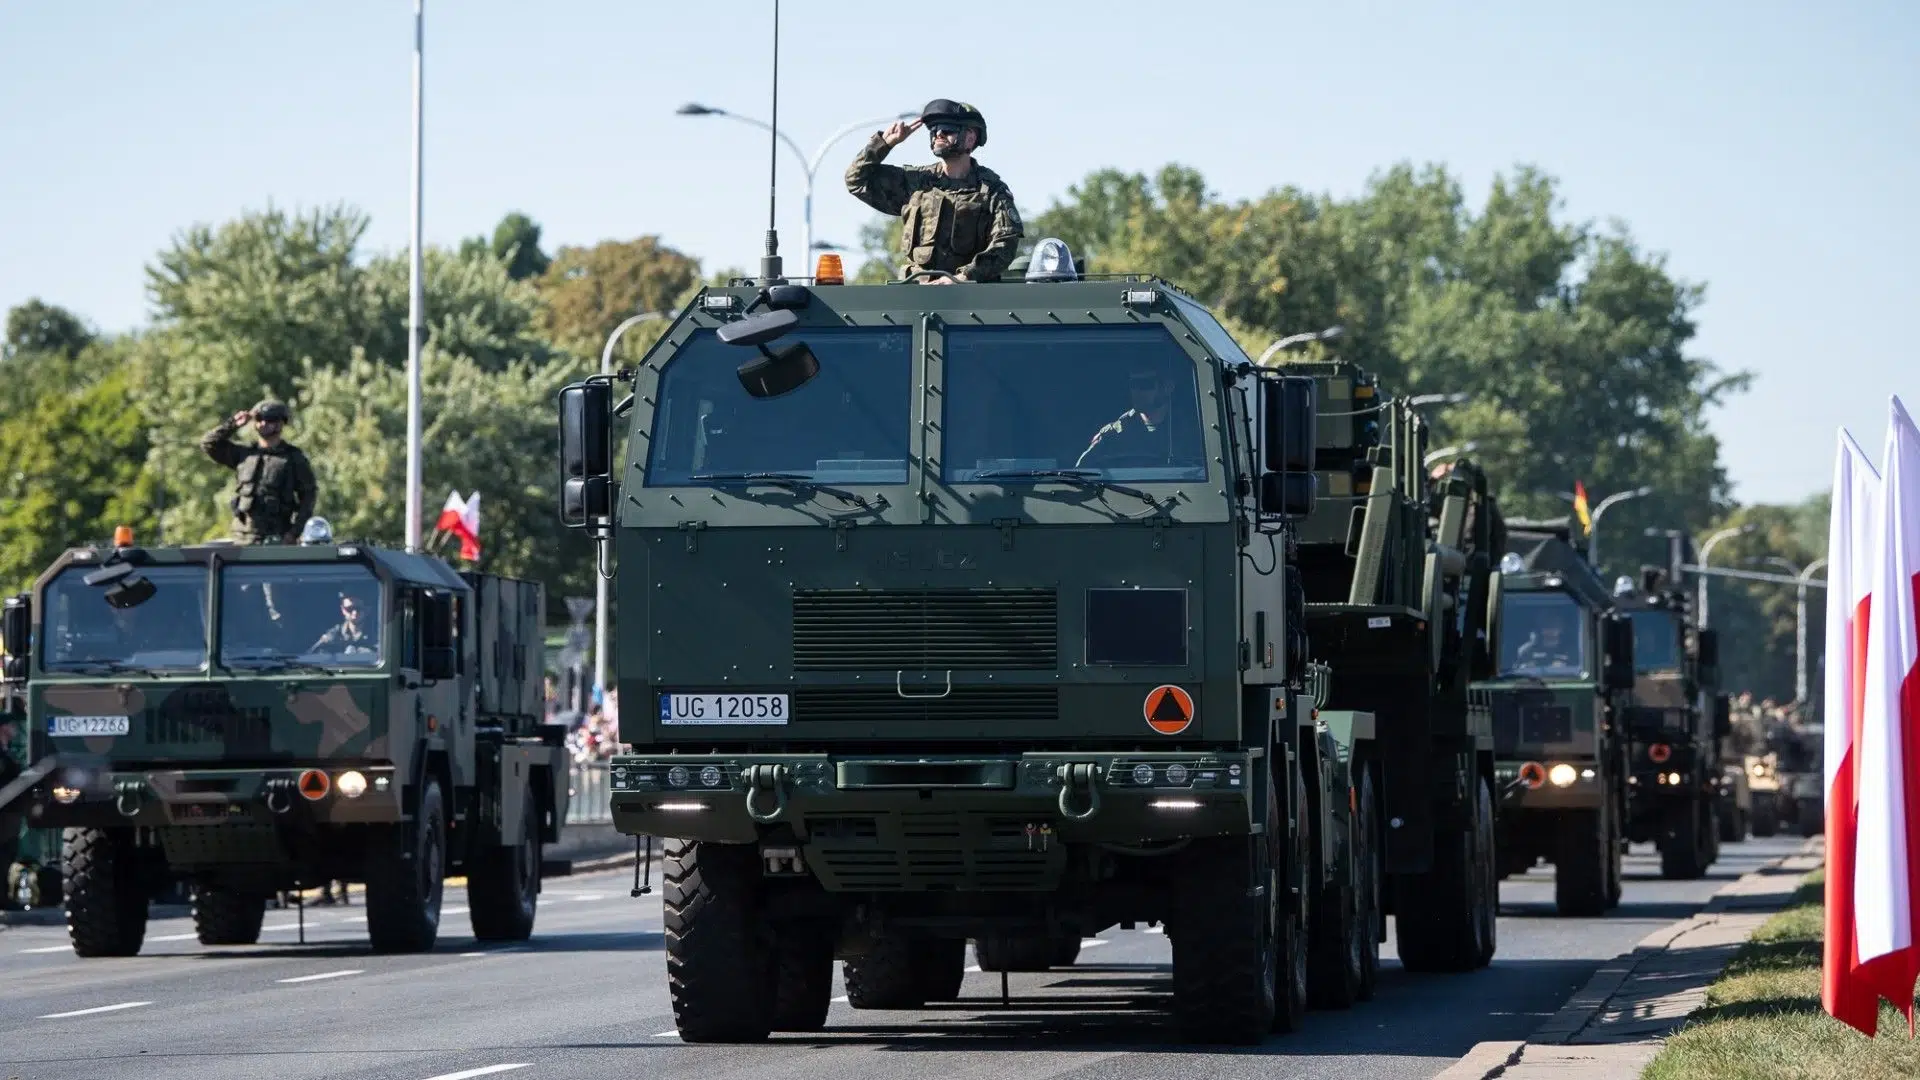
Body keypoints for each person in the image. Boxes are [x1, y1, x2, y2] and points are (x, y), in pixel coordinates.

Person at [845, 98, 1023, 283]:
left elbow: (1005, 243)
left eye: (947, 129)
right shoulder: (917, 181)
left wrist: (964, 276)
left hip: (968, 294)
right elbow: (856, 180)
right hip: (917, 292)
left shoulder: (991, 190)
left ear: (970, 138)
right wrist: (884, 144)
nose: (938, 134)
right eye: (934, 129)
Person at [201, 399, 317, 545]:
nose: (263, 424)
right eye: (259, 419)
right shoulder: (244, 454)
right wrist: (233, 424)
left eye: (269, 420)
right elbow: (209, 443)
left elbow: (308, 496)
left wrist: (294, 533)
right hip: (242, 538)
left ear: (281, 423)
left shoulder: (293, 458)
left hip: (277, 538)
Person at [1076, 357, 1192, 469]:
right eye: (1133, 385)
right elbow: (1081, 471)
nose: (1137, 391)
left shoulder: (1191, 432)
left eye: (1145, 384)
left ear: (1168, 387)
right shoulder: (1113, 434)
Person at [309, 590, 376, 657]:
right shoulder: (332, 635)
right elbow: (311, 656)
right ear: (343, 609)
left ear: (367, 609)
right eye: (349, 609)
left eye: (358, 608)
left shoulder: (377, 634)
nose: (354, 613)